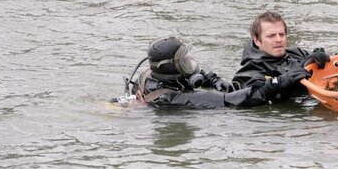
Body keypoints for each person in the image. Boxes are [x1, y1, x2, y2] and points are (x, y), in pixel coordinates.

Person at [121, 36, 310, 108]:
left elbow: (193, 74)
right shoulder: (175, 98)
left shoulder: (147, 75)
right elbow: (234, 101)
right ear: (171, 67)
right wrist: (277, 82)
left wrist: (213, 80)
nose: (191, 64)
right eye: (184, 61)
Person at [233, 10, 338, 97]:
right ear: (257, 40)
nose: (278, 39)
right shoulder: (249, 71)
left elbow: (335, 66)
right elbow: (253, 98)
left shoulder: (297, 53)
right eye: (271, 36)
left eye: (281, 34)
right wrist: (290, 77)